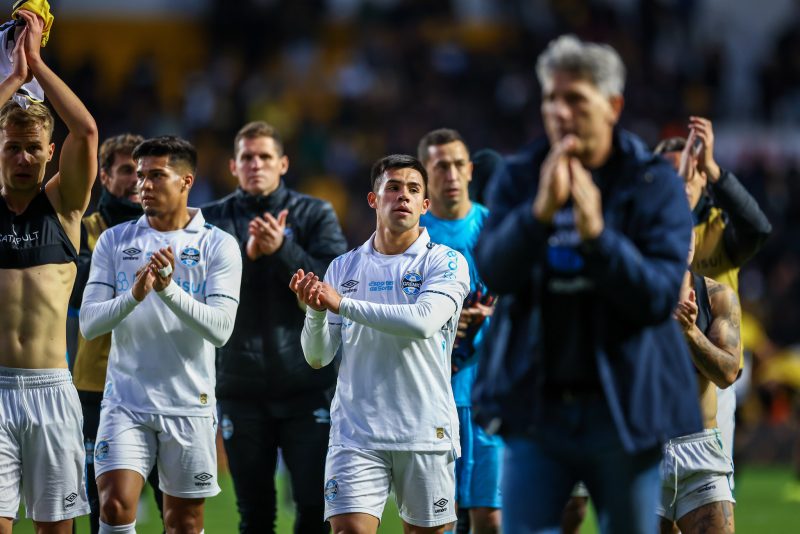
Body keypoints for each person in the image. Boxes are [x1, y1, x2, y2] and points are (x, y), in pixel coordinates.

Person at [472, 34, 702, 534]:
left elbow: (659, 295)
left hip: (623, 409)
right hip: (536, 408)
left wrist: (598, 238)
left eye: (575, 98)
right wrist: (537, 217)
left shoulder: (651, 183)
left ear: (613, 106)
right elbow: (492, 270)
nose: (560, 111)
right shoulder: (519, 176)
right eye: (551, 99)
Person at [291, 154, 470, 534]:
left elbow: (422, 322)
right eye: (392, 187)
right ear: (374, 199)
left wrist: (340, 303)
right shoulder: (343, 268)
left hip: (424, 429)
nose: (402, 196)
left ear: (425, 205)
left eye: (413, 189)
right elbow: (319, 356)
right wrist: (316, 312)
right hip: (357, 431)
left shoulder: (447, 263)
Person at [79, 136, 242, 534]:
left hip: (188, 402)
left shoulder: (218, 245)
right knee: (114, 505)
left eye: (156, 175)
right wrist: (134, 296)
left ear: (186, 181)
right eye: (140, 176)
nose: (144, 186)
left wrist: (169, 290)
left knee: (183, 521)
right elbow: (89, 322)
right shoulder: (115, 241)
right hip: (125, 400)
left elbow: (220, 330)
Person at [201, 121, 347, 534]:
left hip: (307, 385)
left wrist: (283, 249)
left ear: (283, 163)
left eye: (265, 156)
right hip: (239, 388)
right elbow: (204, 293)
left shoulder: (314, 213)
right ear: (233, 165)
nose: (256, 164)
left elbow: (333, 285)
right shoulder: (211, 220)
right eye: (247, 157)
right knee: (254, 516)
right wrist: (246, 257)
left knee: (315, 510)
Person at [0, 10, 97, 533]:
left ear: (49, 153)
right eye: (11, 147)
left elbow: (85, 128)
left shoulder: (63, 205)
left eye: (33, 148)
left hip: (51, 389)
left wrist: (36, 63)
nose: (21, 158)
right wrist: (12, 79)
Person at [654, 122, 772, 460]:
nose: (680, 179)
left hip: (713, 364)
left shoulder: (720, 227)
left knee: (713, 493)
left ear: (702, 177)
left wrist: (714, 168)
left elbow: (759, 230)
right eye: (669, 174)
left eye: (689, 171)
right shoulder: (646, 230)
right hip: (658, 371)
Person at [68, 133, 166, 534]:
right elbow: (74, 292)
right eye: (126, 170)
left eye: (143, 173)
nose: (136, 181)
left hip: (161, 384)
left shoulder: (170, 230)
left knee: (175, 509)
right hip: (97, 385)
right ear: (104, 177)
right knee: (102, 506)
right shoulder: (83, 229)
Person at [417, 128, 501, 534]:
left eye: (456, 164)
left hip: (491, 391)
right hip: (433, 396)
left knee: (491, 518)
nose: (450, 173)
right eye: (439, 166)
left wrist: (492, 315)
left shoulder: (497, 227)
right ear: (427, 175)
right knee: (438, 519)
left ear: (470, 170)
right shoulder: (412, 236)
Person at [658, 231, 739, 534]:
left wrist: (691, 333)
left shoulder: (718, 296)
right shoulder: (629, 297)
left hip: (700, 446)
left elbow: (727, 374)